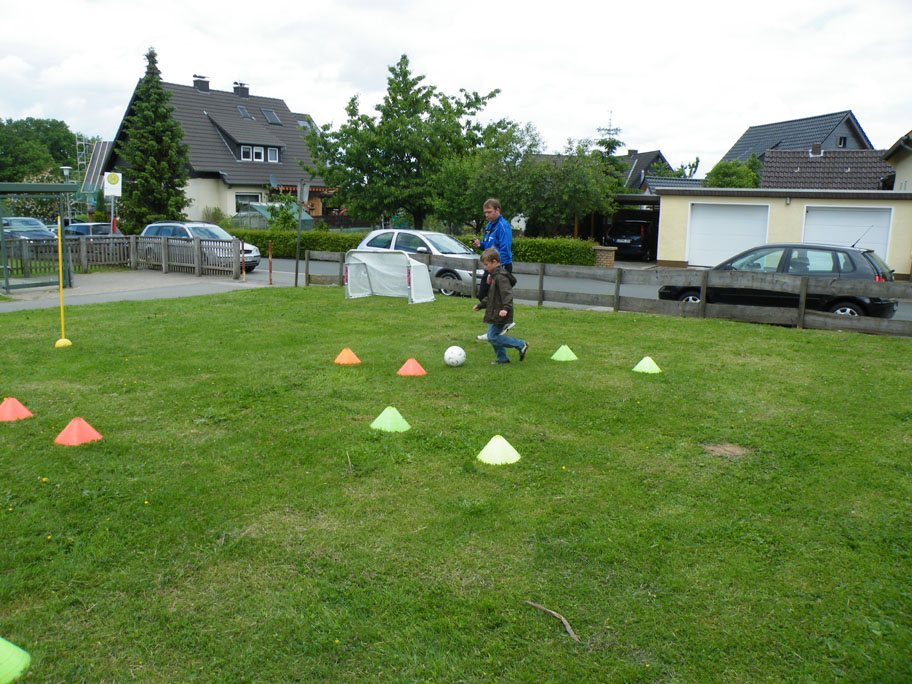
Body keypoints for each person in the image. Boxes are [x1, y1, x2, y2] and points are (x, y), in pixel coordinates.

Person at [473, 248, 528, 365]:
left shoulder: (501, 277)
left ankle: (521, 344)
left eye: (486, 264)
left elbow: (507, 294)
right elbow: (492, 296)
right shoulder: (494, 276)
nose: (485, 267)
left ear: (494, 262)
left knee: (492, 337)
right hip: (495, 311)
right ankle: (502, 358)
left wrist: (505, 308)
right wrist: (481, 305)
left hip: (501, 312)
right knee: (493, 336)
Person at [472, 198, 514, 339]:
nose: (487, 215)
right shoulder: (489, 225)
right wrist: (480, 245)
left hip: (500, 266)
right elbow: (489, 247)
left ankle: (498, 327)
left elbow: (505, 250)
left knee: (497, 296)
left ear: (498, 210)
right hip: (490, 266)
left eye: (489, 212)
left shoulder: (503, 226)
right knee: (484, 295)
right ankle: (498, 327)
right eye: (485, 213)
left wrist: (497, 271)